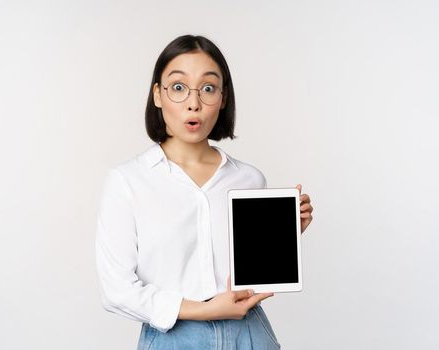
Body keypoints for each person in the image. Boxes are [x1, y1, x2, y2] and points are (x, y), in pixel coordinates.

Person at [94, 35, 315, 349]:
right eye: (179, 87)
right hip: (174, 338)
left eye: (208, 88)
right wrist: (204, 309)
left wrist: (284, 234)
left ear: (223, 98)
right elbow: (117, 291)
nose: (194, 103)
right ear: (157, 94)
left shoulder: (249, 179)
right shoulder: (128, 181)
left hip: (249, 333)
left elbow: (247, 275)